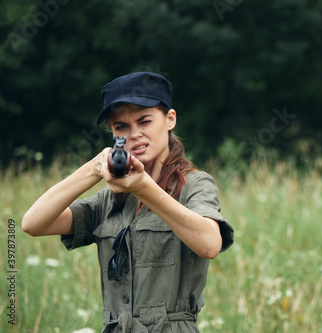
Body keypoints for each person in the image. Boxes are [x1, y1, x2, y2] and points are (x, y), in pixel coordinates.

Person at [22, 72, 234, 332]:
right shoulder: (109, 201)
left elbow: (210, 245)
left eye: (145, 121)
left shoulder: (194, 184)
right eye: (121, 127)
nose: (135, 134)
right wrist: (93, 169)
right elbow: (32, 223)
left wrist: (144, 187)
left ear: (170, 119)